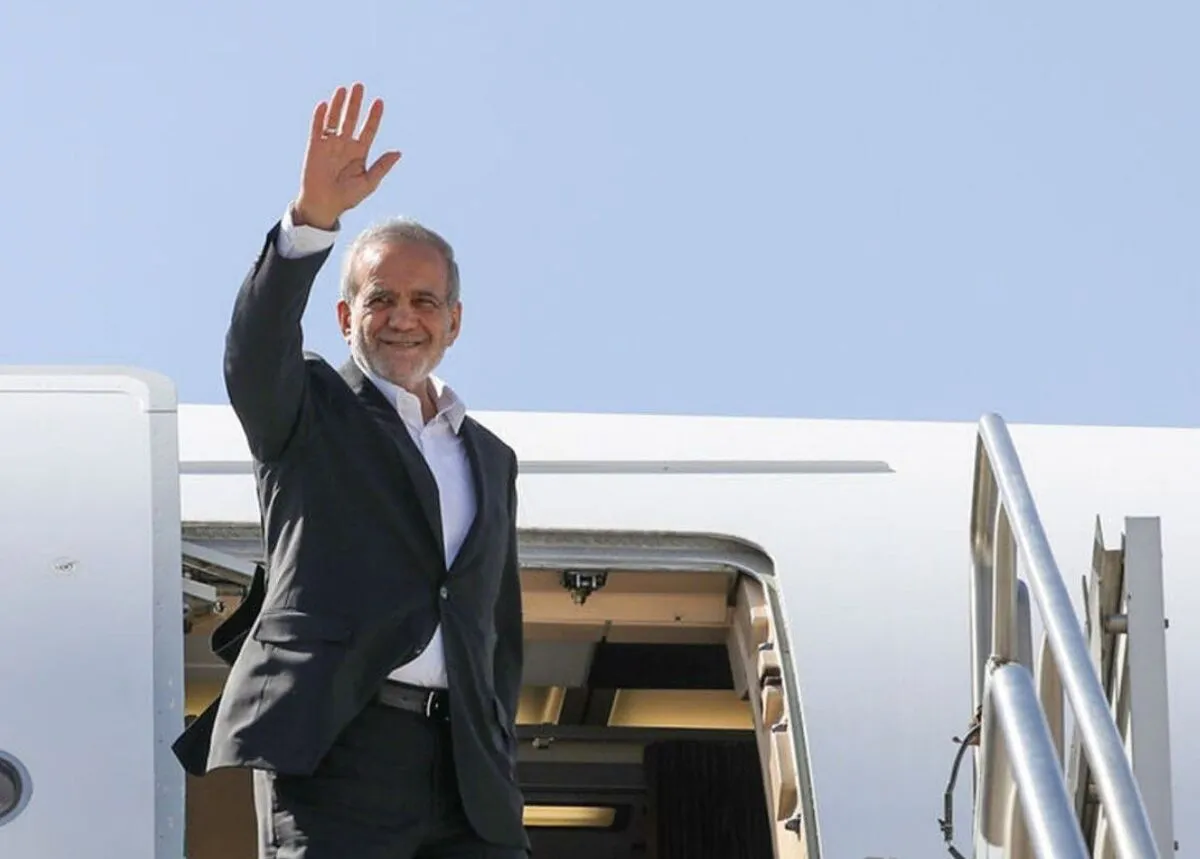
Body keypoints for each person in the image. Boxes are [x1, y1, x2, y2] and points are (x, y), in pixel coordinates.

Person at [172, 81, 529, 859]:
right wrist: (311, 219)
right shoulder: (309, 410)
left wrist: (496, 743)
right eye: (381, 298)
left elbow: (496, 632)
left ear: (454, 321)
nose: (404, 316)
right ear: (345, 316)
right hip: (341, 751)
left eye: (425, 300)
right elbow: (253, 351)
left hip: (469, 776)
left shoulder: (490, 458)